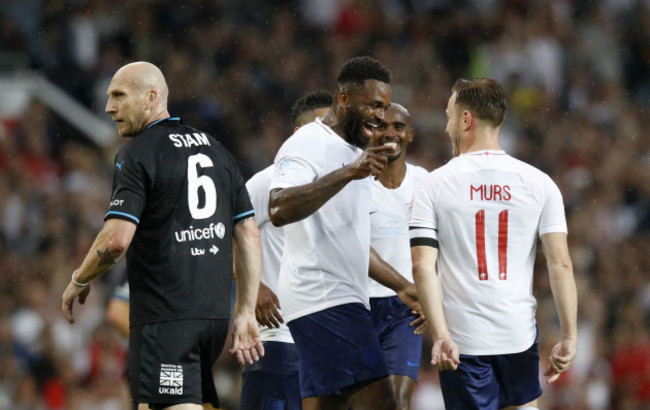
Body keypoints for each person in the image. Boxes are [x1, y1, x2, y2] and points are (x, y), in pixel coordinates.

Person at [61, 61, 264, 410]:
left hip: (168, 320)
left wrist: (80, 278)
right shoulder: (216, 149)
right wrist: (245, 311)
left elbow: (116, 240)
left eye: (119, 96)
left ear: (152, 97)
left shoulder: (138, 154)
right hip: (213, 319)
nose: (109, 107)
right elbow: (247, 232)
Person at [409, 77, 577, 410]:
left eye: (449, 116)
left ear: (466, 119)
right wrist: (570, 334)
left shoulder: (433, 185)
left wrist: (441, 335)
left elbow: (422, 265)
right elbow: (561, 263)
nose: (446, 128)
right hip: (518, 335)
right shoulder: (540, 184)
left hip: (463, 341)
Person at [268, 56, 420, 410]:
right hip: (325, 298)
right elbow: (278, 208)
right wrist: (348, 173)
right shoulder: (308, 142)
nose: (380, 116)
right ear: (345, 99)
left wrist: (401, 285)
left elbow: (353, 243)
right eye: (374, 105)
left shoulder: (355, 152)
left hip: (335, 298)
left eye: (384, 107)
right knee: (384, 404)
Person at [240, 90, 332, 410]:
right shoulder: (266, 183)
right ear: (298, 135)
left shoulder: (342, 188)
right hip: (279, 342)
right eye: (321, 126)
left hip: (327, 347)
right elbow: (222, 239)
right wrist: (255, 289)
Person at [367, 103, 428, 410]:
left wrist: (433, 297)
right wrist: (405, 286)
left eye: (398, 127)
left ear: (410, 135)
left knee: (396, 402)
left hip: (405, 314)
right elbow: (353, 248)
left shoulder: (425, 184)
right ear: (370, 132)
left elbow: (441, 246)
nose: (390, 133)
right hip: (359, 307)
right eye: (381, 126)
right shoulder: (354, 183)